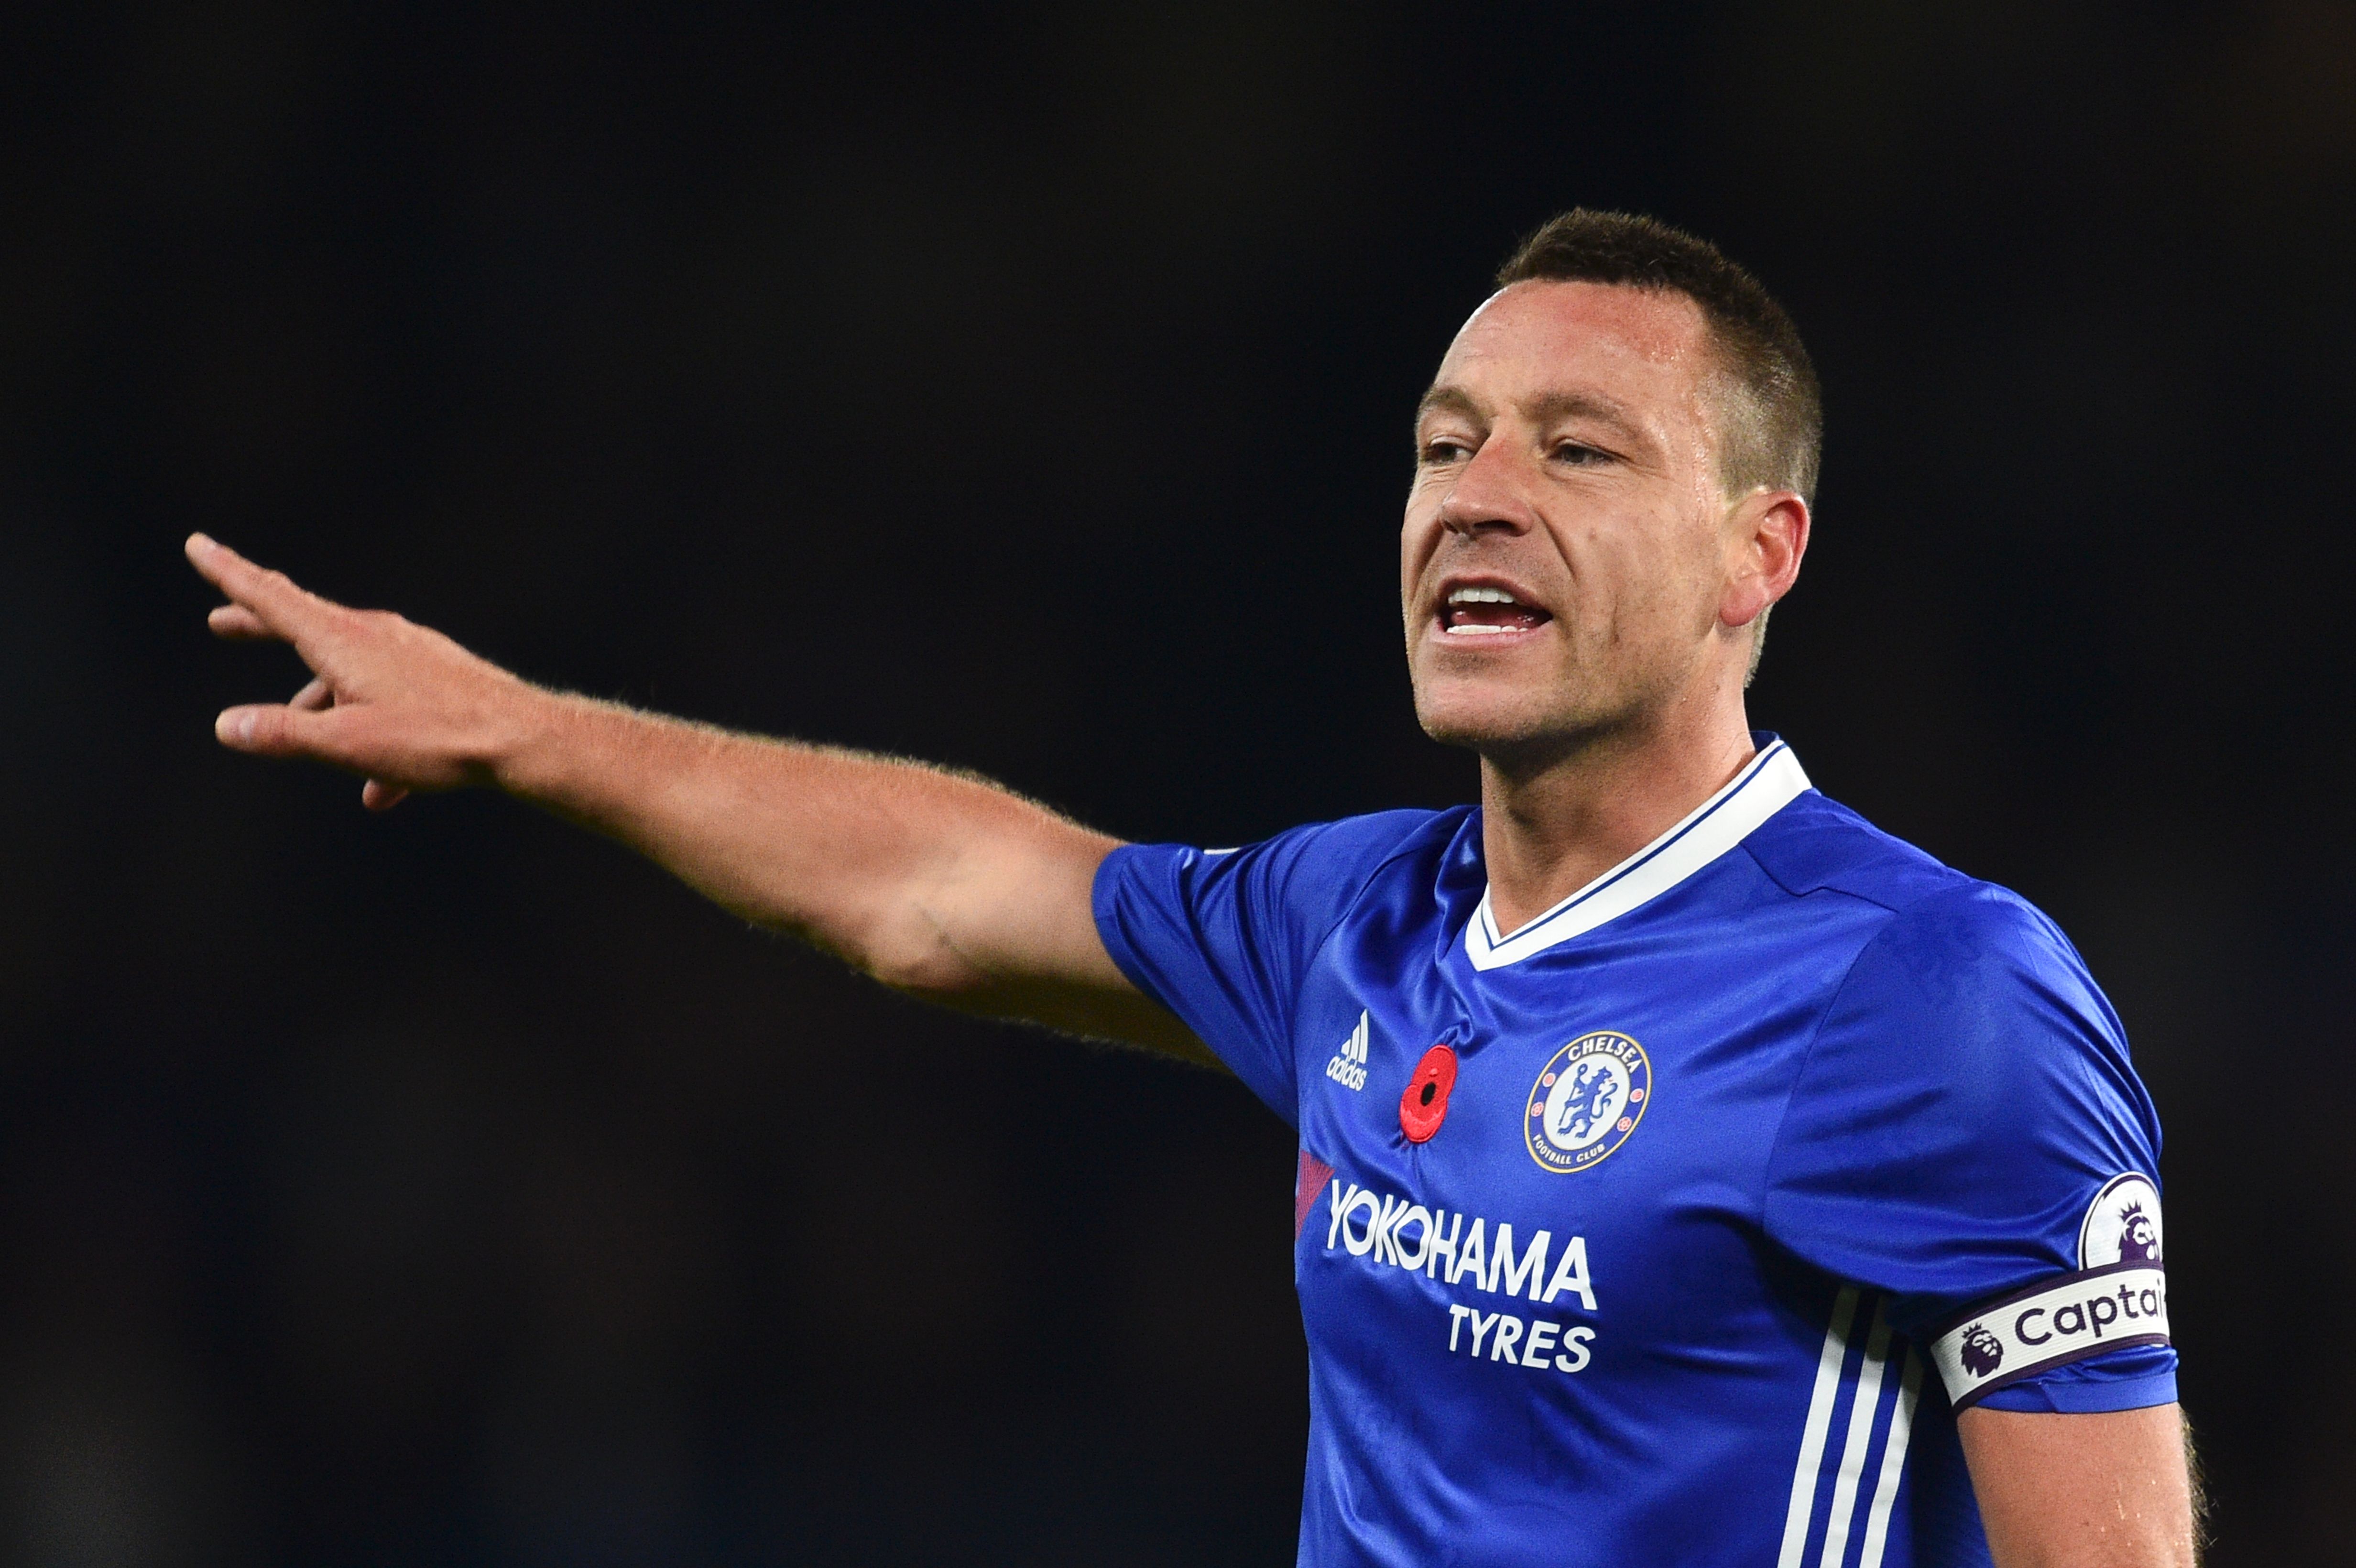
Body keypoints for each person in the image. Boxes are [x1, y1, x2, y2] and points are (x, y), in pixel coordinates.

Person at [187, 210, 2195, 1567]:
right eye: (1445, 445)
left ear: (1759, 553)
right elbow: (942, 893)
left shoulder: (1925, 991)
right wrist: (528, 731)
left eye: (1578, 452)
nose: (1477, 496)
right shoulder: (1360, 924)